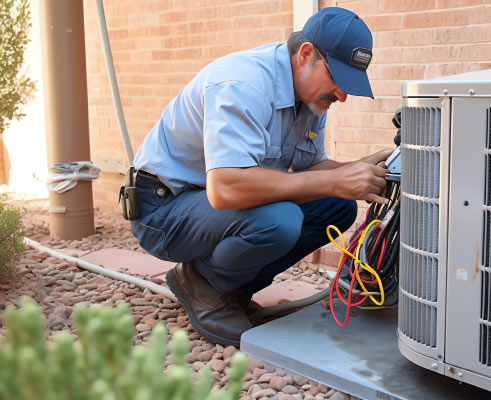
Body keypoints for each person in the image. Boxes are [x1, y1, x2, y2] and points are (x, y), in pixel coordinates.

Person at [129, 7, 392, 347]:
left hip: (212, 207)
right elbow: (226, 189)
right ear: (306, 54)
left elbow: (308, 172)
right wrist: (332, 180)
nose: (342, 95)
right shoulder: (244, 84)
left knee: (337, 206)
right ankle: (203, 283)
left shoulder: (311, 100)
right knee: (279, 219)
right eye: (337, 79)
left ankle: (233, 288)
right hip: (163, 209)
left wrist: (358, 169)